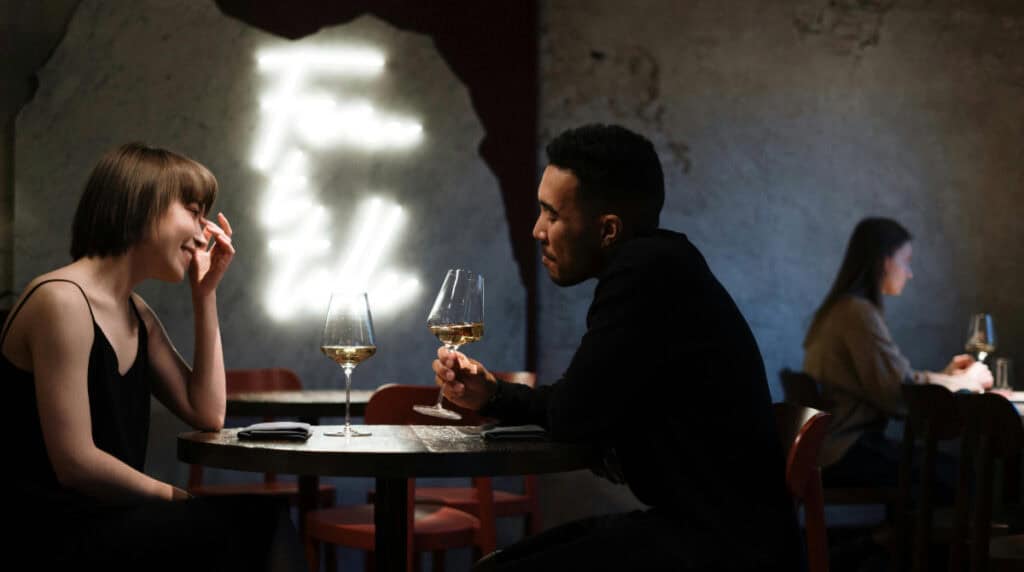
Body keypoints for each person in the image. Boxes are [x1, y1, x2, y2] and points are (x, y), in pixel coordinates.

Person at [432, 124, 802, 570]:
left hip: (722, 548)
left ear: (607, 229)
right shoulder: (661, 265)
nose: (536, 231)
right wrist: (493, 394)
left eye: (552, 215)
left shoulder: (645, 275)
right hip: (711, 531)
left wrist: (517, 402)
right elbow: (581, 401)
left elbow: (573, 415)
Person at [4, 143, 304, 571]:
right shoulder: (62, 301)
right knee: (260, 526)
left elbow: (207, 412)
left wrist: (206, 296)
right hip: (50, 533)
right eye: (195, 212)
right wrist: (173, 496)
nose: (205, 234)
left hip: (112, 521)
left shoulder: (137, 314)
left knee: (264, 521)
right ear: (143, 204)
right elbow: (75, 463)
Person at [803, 217, 992, 489]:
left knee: (953, 470)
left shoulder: (842, 309)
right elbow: (896, 393)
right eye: (906, 260)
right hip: (845, 451)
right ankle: (908, 533)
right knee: (969, 477)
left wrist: (946, 376)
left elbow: (894, 379)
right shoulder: (857, 313)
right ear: (884, 261)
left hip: (831, 446)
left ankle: (895, 533)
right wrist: (963, 382)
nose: (909, 272)